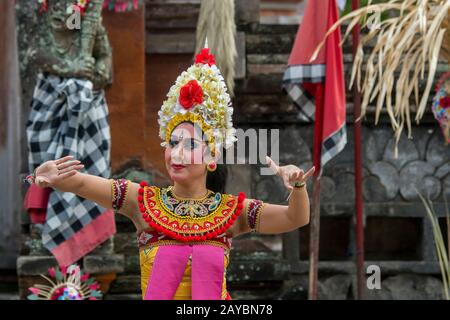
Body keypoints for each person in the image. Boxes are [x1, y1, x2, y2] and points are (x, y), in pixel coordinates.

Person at [28, 46, 315, 300]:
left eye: (190, 145)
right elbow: (79, 182)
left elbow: (296, 217)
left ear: (212, 156)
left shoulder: (233, 212)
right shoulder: (140, 201)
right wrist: (48, 175)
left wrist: (298, 187)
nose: (176, 154)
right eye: (173, 142)